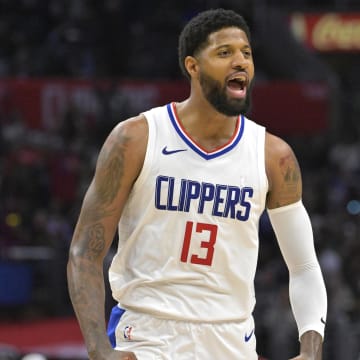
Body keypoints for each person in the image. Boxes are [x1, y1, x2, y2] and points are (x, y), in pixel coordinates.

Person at [67, 8, 327, 360]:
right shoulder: (136, 139)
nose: (240, 62)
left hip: (232, 340)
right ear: (193, 66)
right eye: (225, 53)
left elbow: (304, 266)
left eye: (246, 53)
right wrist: (100, 350)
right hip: (147, 335)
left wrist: (311, 348)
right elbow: (85, 252)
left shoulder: (273, 156)